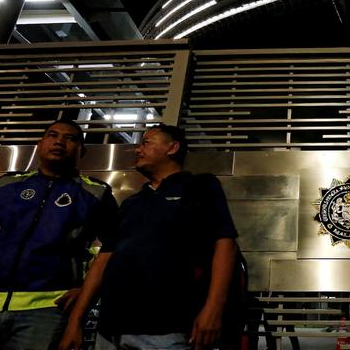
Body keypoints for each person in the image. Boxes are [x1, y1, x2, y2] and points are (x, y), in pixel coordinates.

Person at [59, 124, 238, 350]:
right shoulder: (131, 203)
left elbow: (225, 243)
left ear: (172, 148)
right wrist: (76, 321)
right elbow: (104, 260)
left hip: (165, 331)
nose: (137, 150)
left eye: (146, 143)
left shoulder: (200, 186)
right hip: (109, 331)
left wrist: (213, 309)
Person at [0, 119, 118, 349]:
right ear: (40, 143)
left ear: (81, 151)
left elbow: (114, 249)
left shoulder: (95, 193)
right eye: (52, 135)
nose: (59, 142)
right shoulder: (5, 185)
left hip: (46, 310)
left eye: (70, 138)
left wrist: (84, 293)